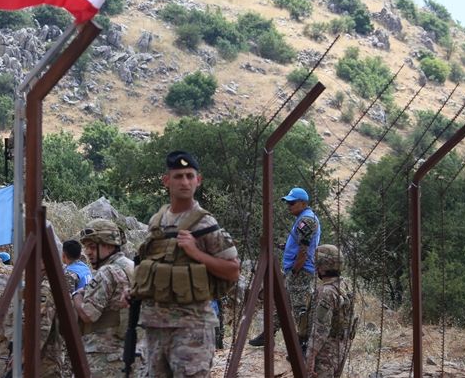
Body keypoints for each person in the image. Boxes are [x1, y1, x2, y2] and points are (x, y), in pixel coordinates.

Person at [133, 151, 240, 378]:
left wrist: (196, 253)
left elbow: (232, 270)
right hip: (155, 325)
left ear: (198, 180)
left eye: (190, 176)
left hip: (191, 327)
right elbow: (147, 265)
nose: (185, 182)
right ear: (166, 181)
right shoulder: (157, 221)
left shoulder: (205, 222)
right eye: (179, 176)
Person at [250, 186, 321, 348]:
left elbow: (304, 249)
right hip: (297, 270)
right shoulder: (304, 218)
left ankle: (306, 344)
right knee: (284, 304)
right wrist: (286, 247)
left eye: (292, 203)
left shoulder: (307, 220)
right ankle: (268, 334)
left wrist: (296, 270)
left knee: (298, 309)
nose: (289, 206)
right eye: (288, 203)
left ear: (303, 203)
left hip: (300, 271)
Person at [71, 219, 134, 376]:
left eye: (92, 247)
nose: (88, 252)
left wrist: (76, 296)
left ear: (109, 245)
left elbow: (88, 315)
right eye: (86, 247)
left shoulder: (107, 272)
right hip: (130, 353)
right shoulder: (132, 266)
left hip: (104, 356)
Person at [303, 245, 355, 378]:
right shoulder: (345, 285)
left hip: (325, 351)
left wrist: (310, 356)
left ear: (321, 266)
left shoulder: (326, 292)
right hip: (341, 346)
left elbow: (321, 329)